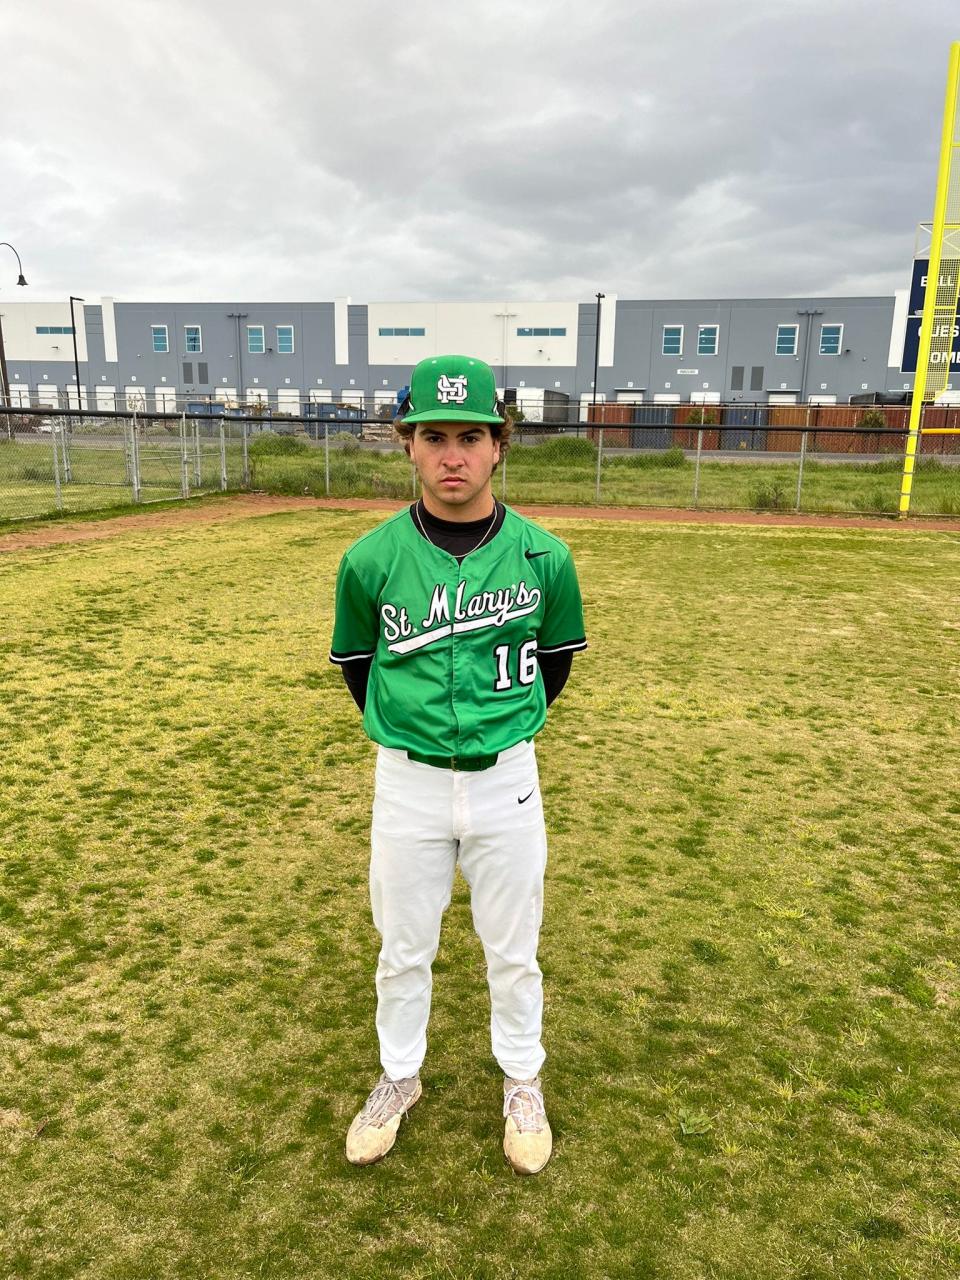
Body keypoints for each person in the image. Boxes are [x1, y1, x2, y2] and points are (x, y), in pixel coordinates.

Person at [329, 354, 587, 1174]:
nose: (452, 455)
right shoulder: (369, 560)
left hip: (508, 778)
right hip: (406, 782)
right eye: (433, 436)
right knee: (402, 946)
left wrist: (497, 724)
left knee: (513, 948)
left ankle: (522, 1079)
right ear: (406, 444)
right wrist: (413, 725)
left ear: (499, 445)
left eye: (470, 436)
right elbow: (358, 665)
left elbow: (554, 665)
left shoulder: (545, 556)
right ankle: (399, 1076)